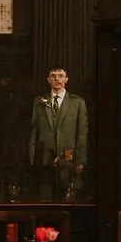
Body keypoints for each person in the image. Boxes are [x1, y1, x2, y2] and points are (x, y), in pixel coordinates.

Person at [28, 67, 88, 202]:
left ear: (66, 79)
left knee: (66, 200)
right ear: (48, 80)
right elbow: (34, 131)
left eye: (60, 76)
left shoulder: (77, 103)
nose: (57, 79)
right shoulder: (39, 102)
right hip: (44, 159)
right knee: (44, 199)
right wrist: (32, 157)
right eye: (53, 76)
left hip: (68, 159)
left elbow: (82, 133)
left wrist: (80, 160)